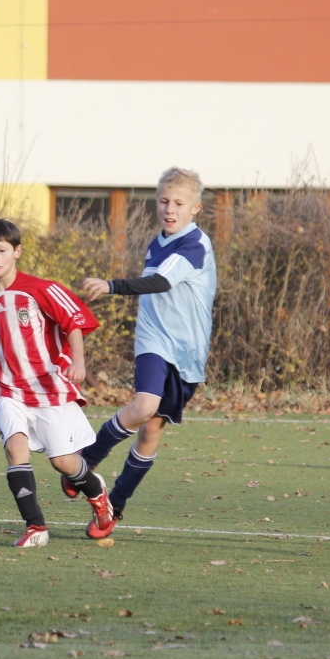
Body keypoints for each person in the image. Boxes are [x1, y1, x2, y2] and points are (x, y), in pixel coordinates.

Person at [0, 218, 115, 546]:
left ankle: (98, 495)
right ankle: (36, 527)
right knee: (16, 450)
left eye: (1, 250)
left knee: (63, 462)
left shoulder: (42, 289)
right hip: (6, 387)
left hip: (46, 386)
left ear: (17, 252)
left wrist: (78, 363)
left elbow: (74, 322)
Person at [67, 167, 217, 536]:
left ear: (195, 207)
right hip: (153, 340)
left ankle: (114, 504)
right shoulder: (157, 241)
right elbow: (158, 286)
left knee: (150, 432)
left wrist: (111, 284)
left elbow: (162, 281)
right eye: (164, 201)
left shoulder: (195, 245)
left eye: (179, 203)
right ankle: (87, 459)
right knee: (144, 406)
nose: (170, 209)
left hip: (188, 352)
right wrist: (113, 286)